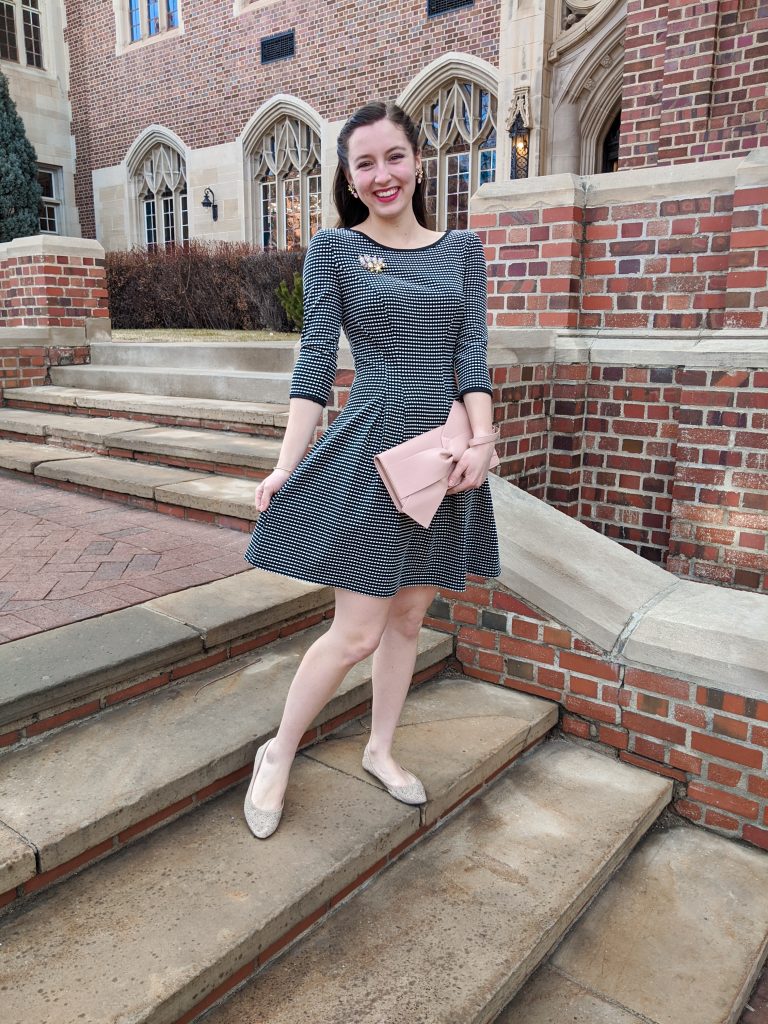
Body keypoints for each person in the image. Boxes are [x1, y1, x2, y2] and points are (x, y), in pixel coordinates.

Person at [242, 100, 501, 839]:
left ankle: (380, 749)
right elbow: (315, 366)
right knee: (356, 633)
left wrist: (482, 442)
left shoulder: (463, 252)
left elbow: (472, 360)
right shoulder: (333, 250)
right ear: (348, 177)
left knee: (409, 618)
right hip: (369, 450)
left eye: (394, 157)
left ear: (417, 161)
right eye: (365, 163)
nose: (382, 175)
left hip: (442, 458)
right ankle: (277, 752)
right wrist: (286, 464)